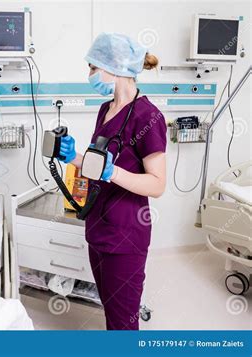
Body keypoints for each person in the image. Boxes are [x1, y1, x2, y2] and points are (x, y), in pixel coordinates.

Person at [59, 33, 167, 330]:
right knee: (109, 309)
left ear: (114, 67)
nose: (90, 75)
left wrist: (113, 173)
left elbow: (157, 185)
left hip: (126, 234)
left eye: (93, 68)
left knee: (122, 323)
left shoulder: (148, 116)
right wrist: (74, 157)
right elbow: (99, 164)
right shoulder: (105, 110)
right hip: (98, 226)